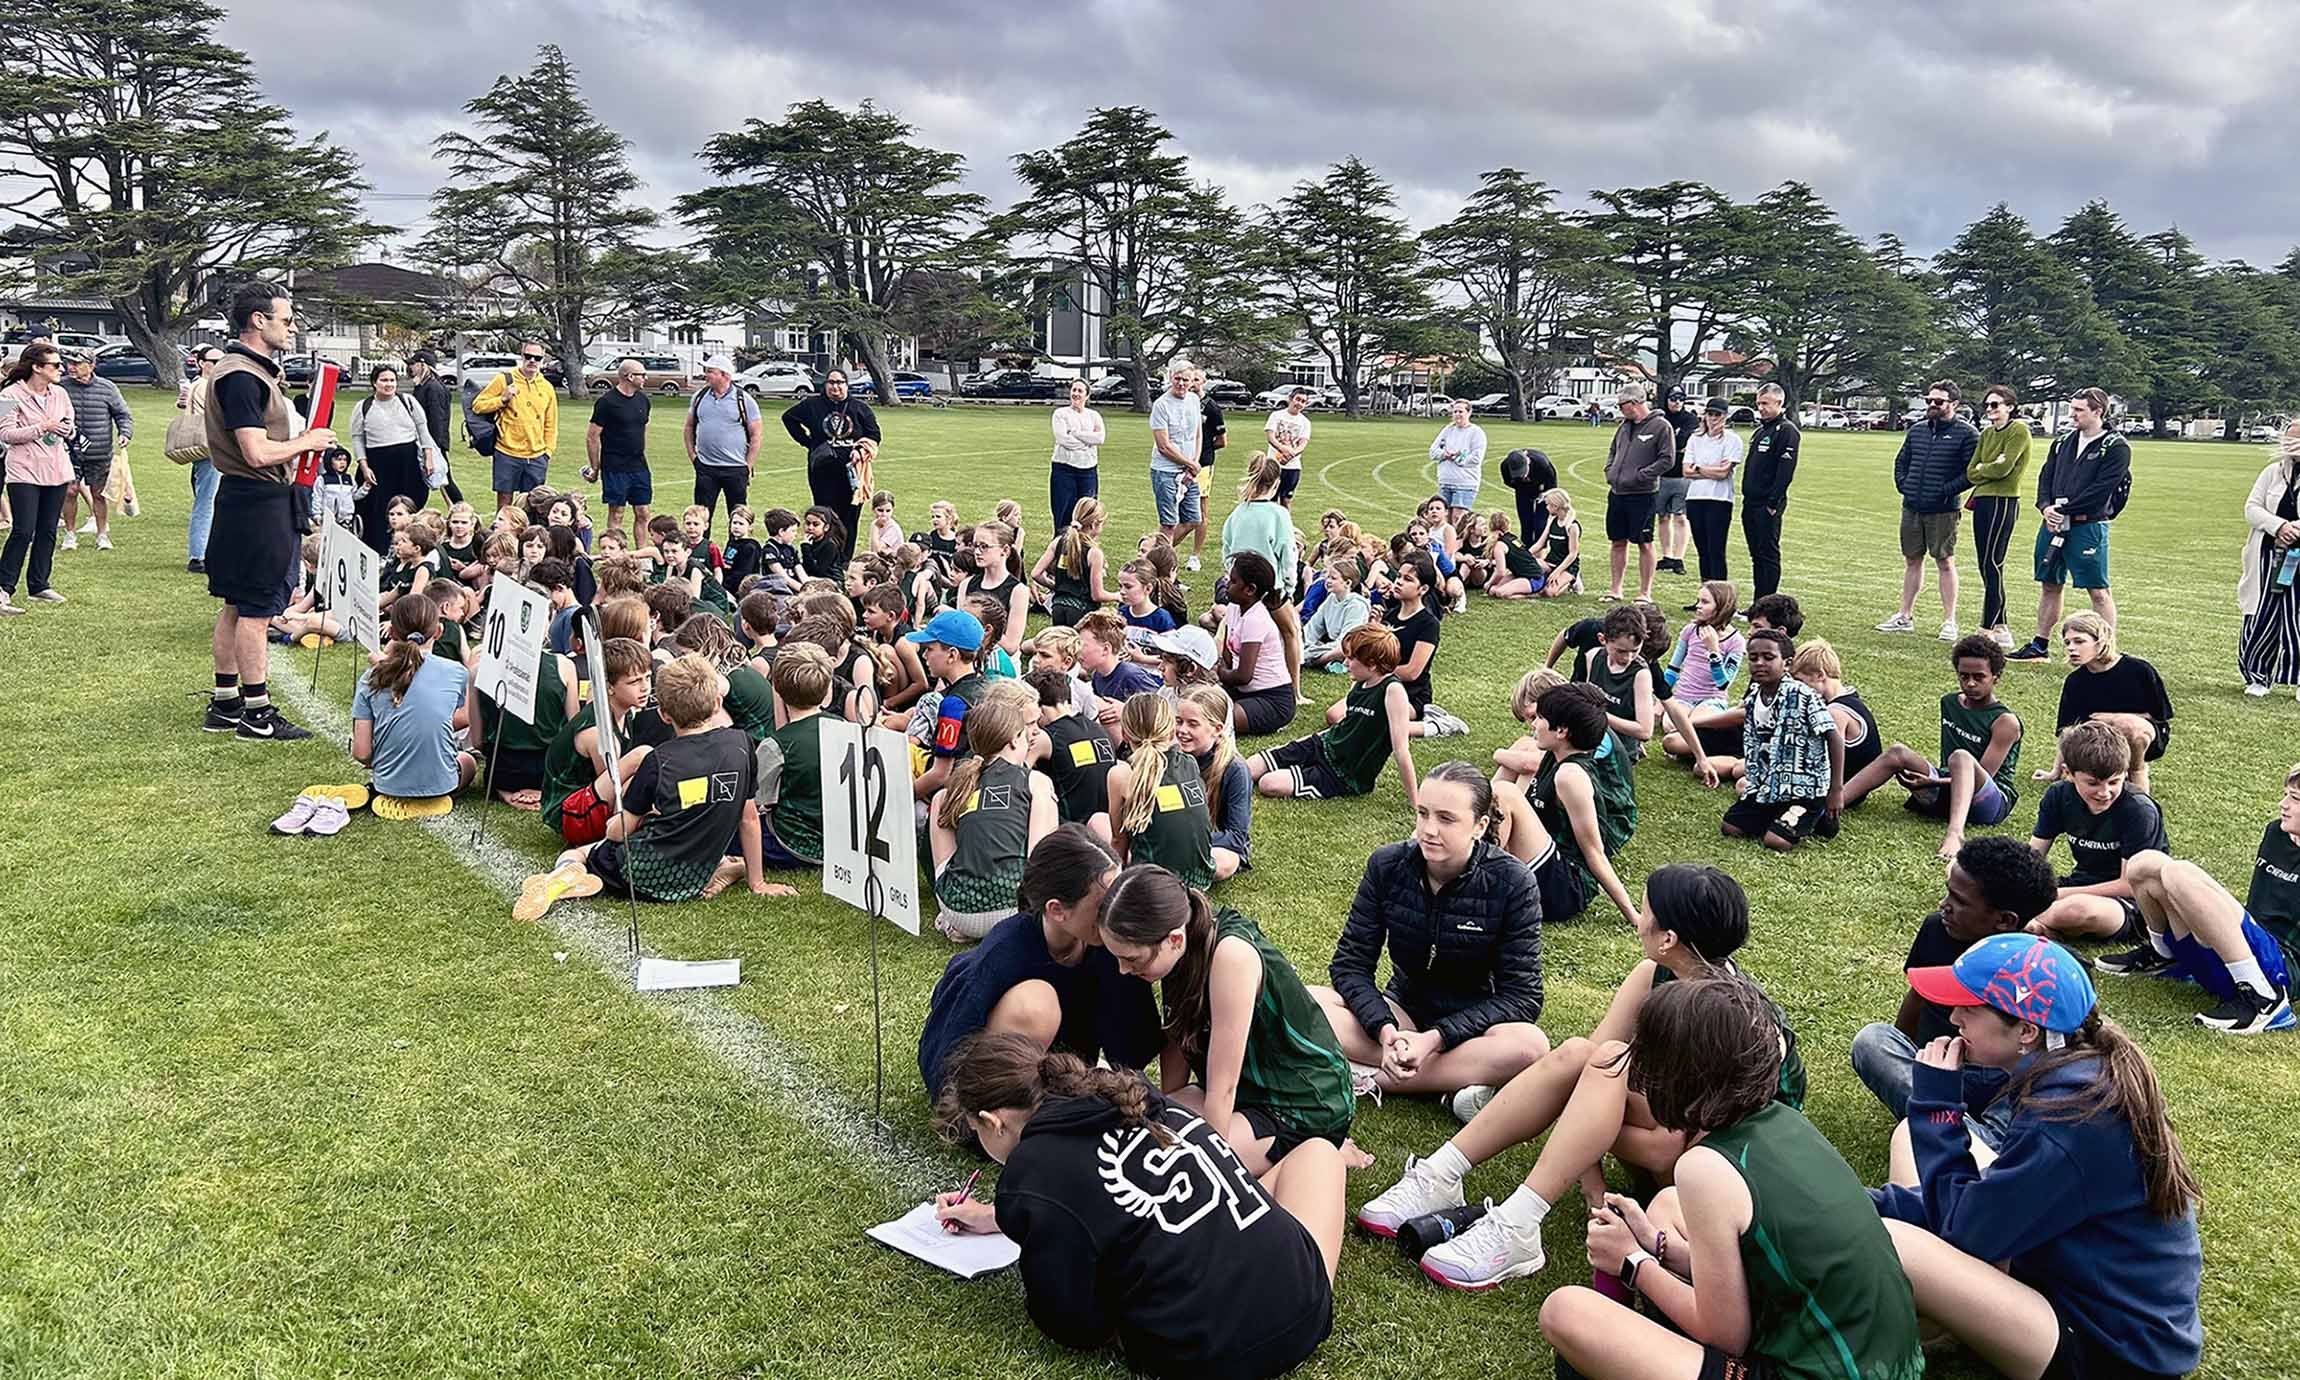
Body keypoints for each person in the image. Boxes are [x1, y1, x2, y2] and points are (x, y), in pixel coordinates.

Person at [1359, 866, 1811, 1286]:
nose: (1639, 915)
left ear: (1669, 937)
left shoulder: (1739, 1023)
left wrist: (1587, 1130)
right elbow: (1587, 1073)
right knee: (1582, 1053)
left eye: (1646, 909)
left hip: (1720, 1178)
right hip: (1668, 1135)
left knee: (1605, 1065)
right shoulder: (1655, 973)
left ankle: (1518, 1222)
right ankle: (1442, 1175)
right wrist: (1594, 1187)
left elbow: (1666, 1152)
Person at [1538, 977, 1921, 1380]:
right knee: (1667, 1206)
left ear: (1671, 1076)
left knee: (1567, 1312)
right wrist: (1656, 1246)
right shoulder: (1786, 1122)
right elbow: (1773, 1269)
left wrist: (1633, 1263)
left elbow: (1725, 1336)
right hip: (1891, 1365)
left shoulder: (1703, 1167)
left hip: (1810, 1371)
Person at [1873, 933, 2203, 1380]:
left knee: (1898, 1241)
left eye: (1968, 1008)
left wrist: (1937, 1106)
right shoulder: (2071, 1072)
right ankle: (1938, 1315)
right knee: (1910, 1138)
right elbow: (1983, 1208)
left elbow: (1966, 1233)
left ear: (2027, 1031)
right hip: (2061, 1285)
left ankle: (1921, 1320)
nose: (1953, 1018)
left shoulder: (2070, 1119)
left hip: (2111, 1352)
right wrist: (1869, 1202)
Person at [930, 1031, 1344, 1380]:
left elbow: (1071, 1324)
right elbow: (1104, 1199)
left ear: (993, 1120)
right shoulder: (1121, 1093)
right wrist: (1000, 1217)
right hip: (1303, 1305)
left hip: (1211, 1353)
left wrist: (1027, 1213)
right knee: (1318, 1155)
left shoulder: (1033, 1173)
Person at [1095, 863, 1359, 1177]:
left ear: (1174, 940)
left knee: (1174, 1165)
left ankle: (1320, 1148)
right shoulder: (1180, 936)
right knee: (1133, 1131)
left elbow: (1223, 1089)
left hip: (1302, 1105)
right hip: (1248, 1092)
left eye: (1131, 959)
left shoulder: (1232, 956)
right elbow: (1178, 1034)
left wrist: (1209, 1167)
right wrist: (1167, 1108)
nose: (1123, 970)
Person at [1310, 760, 1548, 1102]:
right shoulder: (1388, 865)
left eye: (1446, 819)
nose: (1428, 829)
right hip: (1402, 1015)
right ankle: (1444, 1083)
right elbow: (1350, 965)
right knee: (1305, 1002)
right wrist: (1383, 1028)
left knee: (1530, 1045)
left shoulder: (1512, 881)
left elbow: (1522, 997)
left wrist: (1436, 1037)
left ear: (1480, 826)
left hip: (1474, 1030)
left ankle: (1373, 1077)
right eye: (1423, 814)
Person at [514, 653, 785, 920]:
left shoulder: (658, 761)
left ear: (665, 715)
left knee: (579, 852)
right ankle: (726, 868)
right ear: (716, 703)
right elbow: (749, 819)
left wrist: (627, 820)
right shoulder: (742, 744)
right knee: (708, 844)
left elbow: (619, 832)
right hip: (694, 873)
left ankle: (562, 875)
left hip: (640, 875)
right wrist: (758, 883)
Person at [919, 826, 1160, 1100]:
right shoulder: (1005, 950)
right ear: (1057, 910)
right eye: (1103, 905)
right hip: (995, 1091)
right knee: (1036, 1005)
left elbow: (1133, 1052)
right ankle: (1007, 1107)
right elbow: (944, 1055)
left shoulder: (1107, 945)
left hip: (1062, 1080)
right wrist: (967, 1116)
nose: (1117, 910)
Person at [1848, 835, 2060, 1147]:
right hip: (1942, 1068)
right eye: (1948, 893)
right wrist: (1908, 1059)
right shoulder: (1937, 929)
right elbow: (1917, 997)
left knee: (2041, 1076)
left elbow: (2052, 1052)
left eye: (1958, 901)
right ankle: (1964, 1132)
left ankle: (1965, 1134)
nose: (1944, 906)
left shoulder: (2040, 967)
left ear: (2004, 920)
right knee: (1872, 1041)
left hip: (2007, 1082)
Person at [197, 284, 337, 738]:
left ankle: (225, 704)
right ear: (258, 320)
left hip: (244, 500)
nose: (292, 326)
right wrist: (308, 442)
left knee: (237, 606)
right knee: (256, 611)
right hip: (257, 500)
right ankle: (256, 714)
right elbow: (255, 451)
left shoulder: (247, 370)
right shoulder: (242, 375)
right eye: (286, 318)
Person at [2102, 762, 2300, 1034]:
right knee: (2144, 864)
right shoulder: (2276, 833)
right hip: (2239, 951)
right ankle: (2166, 955)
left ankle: (2265, 1000)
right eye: (2286, 794)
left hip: (2281, 970)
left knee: (2179, 872)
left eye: (2295, 799)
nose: (2283, 804)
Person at [1842, 634, 2025, 860]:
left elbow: (1985, 775)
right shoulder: (1949, 702)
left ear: (1995, 678)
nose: (1970, 683)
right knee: (1898, 752)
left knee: (1961, 757)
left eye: (1979, 677)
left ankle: (1955, 834)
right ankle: (1831, 805)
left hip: (1987, 801)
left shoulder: (2005, 722)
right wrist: (1932, 779)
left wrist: (1933, 782)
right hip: (1947, 785)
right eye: (1964, 676)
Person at [1493, 682, 1639, 926]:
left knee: (1506, 794)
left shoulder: (1570, 776)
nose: (1534, 724)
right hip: (1546, 864)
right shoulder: (1554, 755)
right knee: (1494, 797)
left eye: (1539, 718)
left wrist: (1633, 915)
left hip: (1565, 887)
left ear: (1560, 731)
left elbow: (1594, 852)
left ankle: (1473, 883)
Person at [930, 683, 1059, 941]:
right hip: (1017, 909)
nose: (1035, 734)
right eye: (1027, 730)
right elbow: (1040, 855)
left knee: (939, 800)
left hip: (957, 910)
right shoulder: (1035, 781)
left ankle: (956, 916)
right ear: (1013, 738)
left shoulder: (957, 786)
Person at [2012, 387, 2130, 661]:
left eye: (2079, 410)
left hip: (2087, 525)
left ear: (2098, 411)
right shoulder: (2062, 441)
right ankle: (2039, 646)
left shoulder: (2115, 446)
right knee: (2050, 584)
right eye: (2072, 408)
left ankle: (2106, 651)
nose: (2072, 415)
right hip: (2053, 523)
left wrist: (2063, 509)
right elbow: (2046, 477)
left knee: (2098, 590)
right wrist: (2045, 507)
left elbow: (2101, 490)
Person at [2026, 718, 2169, 943]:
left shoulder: (2139, 810)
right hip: (2079, 885)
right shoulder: (2059, 796)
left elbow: (2129, 886)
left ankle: (2025, 921)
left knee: (2075, 911)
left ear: (2124, 772)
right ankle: (2041, 927)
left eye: (2114, 782)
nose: (2104, 792)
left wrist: (2052, 896)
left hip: (2131, 905)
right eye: (2093, 783)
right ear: (2068, 773)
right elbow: (2032, 858)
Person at [1249, 623, 1417, 805]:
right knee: (1251, 767)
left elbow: (1401, 751)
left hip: (1342, 774)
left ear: (1372, 664)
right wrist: (1310, 740)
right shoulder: (1360, 681)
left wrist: (1417, 803)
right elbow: (1348, 724)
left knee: (1269, 783)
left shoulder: (1392, 690)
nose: (1345, 663)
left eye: (1351, 658)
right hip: (1323, 745)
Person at [351, 592, 479, 815]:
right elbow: (466, 718)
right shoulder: (457, 672)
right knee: (468, 761)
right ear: (438, 631)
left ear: (391, 633)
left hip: (387, 786)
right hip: (442, 785)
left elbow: (362, 753)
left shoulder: (371, 677)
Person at [1721, 629, 1845, 851]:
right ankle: (1780, 815)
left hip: (1806, 790)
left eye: (1768, 658)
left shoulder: (1802, 695)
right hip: (1768, 786)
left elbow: (1834, 737)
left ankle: (1820, 816)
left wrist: (1836, 789)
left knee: (1775, 841)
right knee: (1731, 827)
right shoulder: (1754, 698)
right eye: (1753, 658)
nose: (1759, 663)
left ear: (1787, 663)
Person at [1878, 379, 1979, 642]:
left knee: (1944, 561)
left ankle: (1949, 621)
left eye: (1939, 401)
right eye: (1929, 400)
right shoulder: (1918, 430)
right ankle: (1905, 615)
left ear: (1954, 404)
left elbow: (1970, 473)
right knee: (1912, 559)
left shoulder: (1967, 434)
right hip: (1912, 505)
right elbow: (1902, 460)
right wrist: (1905, 485)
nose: (1932, 405)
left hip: (1943, 510)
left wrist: (1945, 490)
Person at [2038, 610, 2174, 796]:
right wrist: (2055, 771)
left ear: (2100, 641)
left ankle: (2137, 775)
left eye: (2079, 641)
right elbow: (2067, 731)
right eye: (2067, 643)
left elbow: (2159, 715)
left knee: (2129, 726)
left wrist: (2112, 718)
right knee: (2072, 781)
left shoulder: (2139, 670)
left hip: (2143, 737)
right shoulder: (2075, 682)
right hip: (2098, 740)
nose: (2071, 648)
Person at [541, 635, 653, 847]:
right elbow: (614, 792)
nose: (645, 687)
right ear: (609, 687)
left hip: (591, 798)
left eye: (647, 677)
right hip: (569, 813)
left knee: (641, 777)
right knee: (641, 757)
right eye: (634, 682)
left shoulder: (624, 711)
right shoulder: (598, 733)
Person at [0, 342, 76, 617]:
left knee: (48, 530)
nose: (60, 369)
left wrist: (67, 429)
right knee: (23, 530)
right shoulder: (10, 394)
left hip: (56, 468)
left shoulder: (60, 393)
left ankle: (39, 584)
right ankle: (3, 588)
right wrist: (43, 426)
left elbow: (70, 424)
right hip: (24, 470)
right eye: (55, 365)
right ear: (37, 367)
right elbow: (6, 434)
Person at [1219, 451, 1302, 690]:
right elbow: (1288, 553)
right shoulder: (1279, 514)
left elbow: (1227, 549)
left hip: (1242, 587)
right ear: (1276, 483)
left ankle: (1235, 676)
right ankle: (1294, 689)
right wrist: (1289, 586)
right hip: (1271, 589)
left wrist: (1233, 579)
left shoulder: (1238, 513)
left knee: (1238, 634)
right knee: (1290, 633)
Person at [781, 367, 879, 565]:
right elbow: (788, 418)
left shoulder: (859, 407)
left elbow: (874, 434)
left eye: (840, 382)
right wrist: (809, 442)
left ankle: (844, 559)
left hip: (852, 471)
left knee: (850, 516)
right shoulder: (812, 405)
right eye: (831, 382)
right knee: (825, 514)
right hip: (823, 472)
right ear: (825, 385)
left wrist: (860, 450)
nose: (835, 387)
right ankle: (825, 557)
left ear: (846, 384)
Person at [346, 366, 440, 554]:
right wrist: (363, 465)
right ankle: (379, 549)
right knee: (376, 508)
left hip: (407, 462)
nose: (389, 384)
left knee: (409, 504)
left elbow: (423, 430)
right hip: (377, 463)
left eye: (392, 380)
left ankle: (411, 544)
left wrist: (429, 457)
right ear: (374, 383)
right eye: (384, 380)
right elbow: (357, 438)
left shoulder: (408, 402)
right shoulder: (363, 407)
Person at [2239, 420, 2300, 698]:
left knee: (2296, 616)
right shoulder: (2273, 473)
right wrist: (2279, 526)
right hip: (2269, 556)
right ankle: (2257, 676)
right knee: (2263, 613)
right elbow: (2252, 508)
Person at [1969, 383, 2032, 650]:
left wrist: (1987, 467)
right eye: (1987, 405)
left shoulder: (2018, 430)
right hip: (1982, 500)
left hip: (2003, 501)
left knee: (1993, 563)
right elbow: (1972, 470)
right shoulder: (1986, 434)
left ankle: (1987, 627)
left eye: (1995, 405)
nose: (1990, 410)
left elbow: (2004, 469)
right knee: (1985, 564)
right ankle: (2001, 626)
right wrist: (1987, 467)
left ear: (2010, 406)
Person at [1600, 382, 1676, 603]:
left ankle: (1645, 592)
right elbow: (1613, 451)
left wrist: (1641, 475)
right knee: (1617, 541)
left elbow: (1667, 459)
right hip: (1617, 492)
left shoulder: (1661, 426)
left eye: (1621, 405)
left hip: (1643, 494)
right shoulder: (1623, 427)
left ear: (1634, 403)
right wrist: (1610, 471)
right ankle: (1616, 589)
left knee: (1644, 542)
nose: (1619, 409)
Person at [1174, 683, 1253, 880]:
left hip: (1216, 844)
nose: (1182, 730)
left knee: (1222, 864)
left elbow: (1236, 837)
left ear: (1217, 729)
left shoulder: (1235, 769)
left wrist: (1184, 839)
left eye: (1192, 724)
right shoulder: (1171, 756)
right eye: (1178, 721)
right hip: (1171, 835)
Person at [1384, 550, 1466, 737]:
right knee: (1335, 716)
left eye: (1408, 579)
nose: (1399, 582)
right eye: (1399, 576)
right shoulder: (1388, 615)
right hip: (1380, 684)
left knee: (1383, 726)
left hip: (1411, 694)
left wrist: (1377, 670)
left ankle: (1438, 725)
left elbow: (1412, 672)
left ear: (1423, 589)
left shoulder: (1428, 624)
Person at [1214, 552, 1296, 738]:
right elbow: (1227, 654)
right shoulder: (1234, 608)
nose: (1227, 584)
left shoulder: (1256, 618)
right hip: (1240, 690)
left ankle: (1265, 719)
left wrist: (1219, 672)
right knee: (1197, 701)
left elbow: (1244, 676)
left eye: (1233, 581)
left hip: (1272, 699)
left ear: (1250, 590)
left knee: (1213, 718)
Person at [57, 351, 132, 553]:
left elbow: (122, 414)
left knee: (98, 494)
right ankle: (70, 534)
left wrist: (125, 433)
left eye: (77, 363)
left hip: (99, 451)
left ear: (91, 365)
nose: (71, 367)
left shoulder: (107, 388)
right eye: (70, 363)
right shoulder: (60, 387)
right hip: (69, 450)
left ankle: (102, 534)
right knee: (70, 491)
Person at [469, 340, 557, 511]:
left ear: (543, 360)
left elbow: (550, 423)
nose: (532, 361)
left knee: (532, 504)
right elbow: (478, 405)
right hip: (507, 452)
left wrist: (547, 451)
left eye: (537, 358)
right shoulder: (504, 379)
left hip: (537, 455)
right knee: (505, 503)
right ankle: (503, 536)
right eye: (528, 356)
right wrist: (502, 399)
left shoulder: (547, 387)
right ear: (522, 356)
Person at [684, 355, 760, 538]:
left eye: (710, 371)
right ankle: (702, 555)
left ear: (725, 375)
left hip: (735, 469)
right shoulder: (699, 397)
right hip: (706, 468)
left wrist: (746, 467)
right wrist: (694, 457)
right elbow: (689, 427)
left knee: (737, 517)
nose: (706, 375)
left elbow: (756, 434)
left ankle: (737, 555)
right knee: (701, 516)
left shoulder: (744, 400)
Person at [1742, 382, 1799, 600]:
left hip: (1768, 503)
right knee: (1756, 554)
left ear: (1779, 402)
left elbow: (1785, 471)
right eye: (1758, 403)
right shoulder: (1760, 431)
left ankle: (1767, 602)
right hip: (1751, 501)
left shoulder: (1786, 431)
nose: (1761, 408)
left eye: (1765, 403)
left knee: (1768, 554)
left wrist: (1773, 502)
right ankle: (1758, 600)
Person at [584, 357, 653, 538]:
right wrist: (595, 467)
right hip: (614, 465)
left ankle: (641, 556)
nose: (645, 378)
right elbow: (592, 437)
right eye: (642, 375)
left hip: (638, 465)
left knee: (643, 512)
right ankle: (615, 554)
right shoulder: (607, 403)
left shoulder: (643, 401)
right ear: (630, 376)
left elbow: (643, 429)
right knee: (617, 512)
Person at [1679, 396, 1740, 583]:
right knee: (1702, 549)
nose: (1713, 418)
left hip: (1719, 499)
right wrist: (1706, 469)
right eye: (1710, 414)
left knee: (1716, 549)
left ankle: (1721, 596)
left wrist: (1698, 467)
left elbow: (1723, 473)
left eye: (1717, 415)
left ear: (1725, 416)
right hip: (1696, 497)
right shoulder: (1695, 439)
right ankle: (1705, 593)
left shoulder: (1732, 440)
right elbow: (1686, 471)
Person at [1030, 497, 1110, 628]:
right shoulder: (1094, 553)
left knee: (1060, 645)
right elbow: (1097, 595)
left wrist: (1057, 587)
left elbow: (1036, 573)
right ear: (1094, 524)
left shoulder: (1059, 542)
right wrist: (1118, 596)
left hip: (1058, 607)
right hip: (1082, 611)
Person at [1147, 367, 1203, 551]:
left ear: (1192, 381)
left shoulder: (1194, 400)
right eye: (1177, 378)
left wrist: (1194, 462)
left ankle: (1156, 555)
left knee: (1193, 519)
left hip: (1189, 471)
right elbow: (1164, 446)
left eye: (1185, 380)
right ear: (1171, 377)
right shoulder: (1161, 405)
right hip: (1166, 471)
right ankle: (1162, 568)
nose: (1181, 383)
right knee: (1169, 524)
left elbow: (1197, 434)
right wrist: (1188, 463)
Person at [181, 345, 225, 575]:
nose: (219, 366)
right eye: (214, 361)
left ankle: (203, 552)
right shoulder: (206, 386)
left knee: (207, 498)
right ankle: (199, 555)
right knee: (207, 501)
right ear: (201, 363)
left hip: (206, 449)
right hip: (211, 449)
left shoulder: (198, 386)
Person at [1653, 385, 1699, 575]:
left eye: (1680, 398)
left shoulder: (1690, 419)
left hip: (1682, 476)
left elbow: (1683, 442)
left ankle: (1679, 558)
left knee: (1680, 517)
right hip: (1662, 475)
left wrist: (1671, 444)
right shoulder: (1659, 418)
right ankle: (1667, 556)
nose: (1677, 402)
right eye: (1673, 398)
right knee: (1663, 517)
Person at [1049, 378, 1104, 535]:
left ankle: (1083, 550)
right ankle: (1060, 550)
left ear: (1087, 395)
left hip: (1088, 471)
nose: (1076, 394)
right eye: (1074, 390)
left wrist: (1076, 433)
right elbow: (1063, 440)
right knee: (1063, 512)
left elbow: (1100, 438)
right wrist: (1087, 442)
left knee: (1087, 512)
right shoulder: (1060, 414)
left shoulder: (1094, 416)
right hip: (1064, 469)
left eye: (1080, 391)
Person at [405, 350, 459, 506]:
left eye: (413, 364)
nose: (410, 368)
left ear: (423, 365)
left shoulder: (433, 388)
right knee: (441, 479)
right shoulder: (423, 386)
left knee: (444, 478)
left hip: (433, 441)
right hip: (426, 440)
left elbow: (437, 418)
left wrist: (433, 446)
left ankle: (460, 508)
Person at [1300, 554, 1372, 667]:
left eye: (1333, 578)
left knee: (1338, 651)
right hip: (1330, 645)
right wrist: (1302, 643)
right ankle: (1308, 657)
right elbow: (1313, 628)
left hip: (1347, 648)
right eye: (1328, 577)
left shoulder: (1357, 605)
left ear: (1347, 583)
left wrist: (1310, 651)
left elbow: (1346, 641)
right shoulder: (1331, 599)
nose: (1328, 581)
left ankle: (1311, 659)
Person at [1429, 398, 1487, 526]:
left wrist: (1457, 458)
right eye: (1455, 412)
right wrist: (1445, 454)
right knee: (1445, 519)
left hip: (1465, 483)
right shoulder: (1448, 430)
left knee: (1458, 518)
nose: (1457, 415)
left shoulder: (1476, 432)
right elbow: (1433, 451)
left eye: (1460, 411)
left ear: (1468, 412)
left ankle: (1458, 544)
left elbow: (1476, 458)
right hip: (1445, 482)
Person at [1264, 385, 1312, 509]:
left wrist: (1291, 453)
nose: (1299, 404)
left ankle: (1285, 526)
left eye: (1303, 402)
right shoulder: (1276, 416)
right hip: (1274, 464)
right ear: (1290, 399)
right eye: (1298, 399)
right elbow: (1270, 437)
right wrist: (1282, 448)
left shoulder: (1305, 422)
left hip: (1293, 466)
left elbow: (1303, 443)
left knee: (1286, 499)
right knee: (1270, 498)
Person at [1499, 446, 1557, 544]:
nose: (1523, 476)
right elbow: (1509, 482)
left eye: (1523, 472)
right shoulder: (1505, 466)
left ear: (1528, 462)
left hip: (1543, 491)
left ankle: (1539, 552)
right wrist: (1526, 489)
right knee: (1526, 524)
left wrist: (1542, 494)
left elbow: (1552, 485)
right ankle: (1526, 551)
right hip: (1523, 490)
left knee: (1540, 524)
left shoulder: (1542, 463)